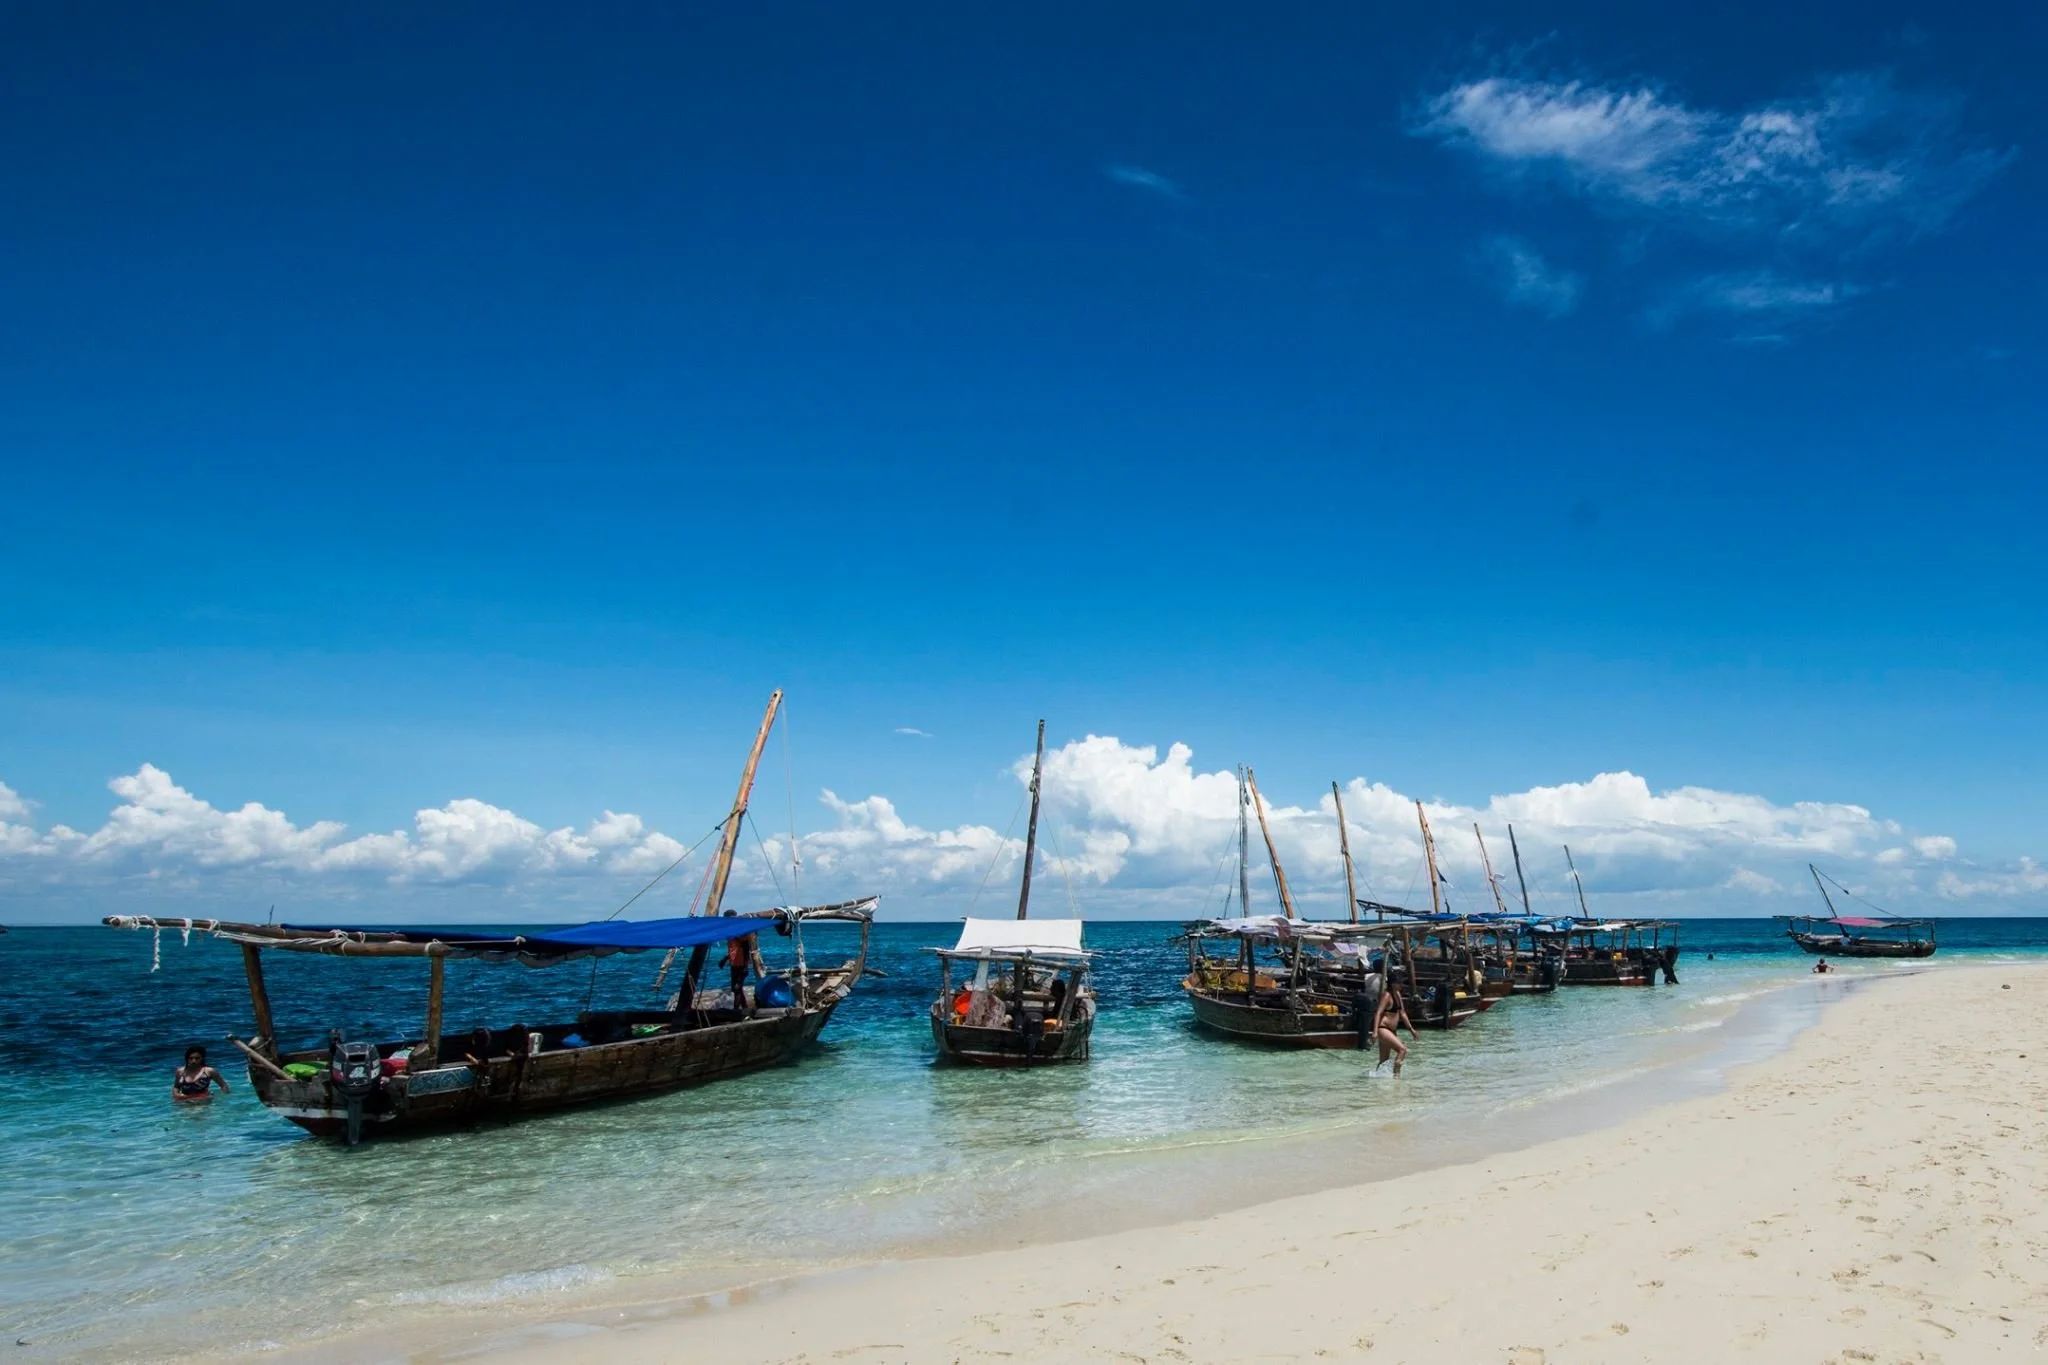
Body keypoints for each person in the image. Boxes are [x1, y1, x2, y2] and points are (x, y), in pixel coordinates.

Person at [1373, 984, 1417, 1076]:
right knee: (1402, 1050)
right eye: (1399, 982)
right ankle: (1396, 1077)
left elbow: (1403, 1013)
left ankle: (1375, 1081)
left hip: (1391, 1031)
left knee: (1383, 1061)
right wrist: (1375, 1031)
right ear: (1393, 983)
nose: (1401, 984)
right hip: (1383, 1029)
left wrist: (1411, 1029)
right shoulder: (1387, 995)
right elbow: (1378, 1012)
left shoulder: (1397, 994)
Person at [725, 925, 762, 1012]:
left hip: (741, 965)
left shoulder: (741, 936)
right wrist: (725, 959)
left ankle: (736, 1010)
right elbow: (733, 951)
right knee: (736, 989)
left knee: (737, 988)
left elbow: (747, 944)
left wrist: (745, 966)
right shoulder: (731, 936)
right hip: (734, 965)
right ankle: (744, 1007)